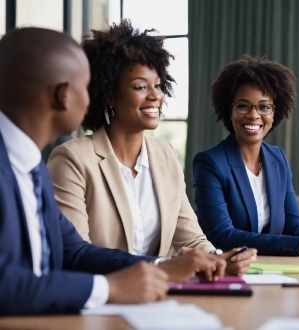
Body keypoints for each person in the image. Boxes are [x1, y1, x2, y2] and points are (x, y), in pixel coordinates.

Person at [0, 27, 225, 315]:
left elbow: (76, 252)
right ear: (64, 95)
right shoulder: (55, 160)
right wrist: (111, 288)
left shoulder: (32, 169)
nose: (90, 97)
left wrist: (161, 267)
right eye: (86, 86)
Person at [46, 20, 255, 276]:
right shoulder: (72, 159)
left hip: (156, 297)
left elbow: (191, 240)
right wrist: (162, 266)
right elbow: (76, 254)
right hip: (102, 300)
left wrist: (217, 259)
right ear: (109, 94)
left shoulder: (165, 154)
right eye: (140, 87)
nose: (156, 96)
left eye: (157, 85)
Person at [193, 55, 299, 256]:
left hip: (272, 267)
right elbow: (222, 235)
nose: (254, 115)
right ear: (230, 111)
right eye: (243, 105)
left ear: (274, 113)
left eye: (264, 107)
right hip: (225, 268)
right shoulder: (210, 163)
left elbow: (295, 225)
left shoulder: (277, 158)